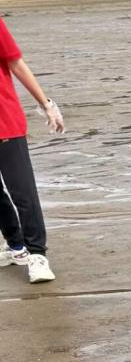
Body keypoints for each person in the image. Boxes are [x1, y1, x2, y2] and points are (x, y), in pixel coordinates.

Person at [0, 16, 64, 283]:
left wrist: (46, 104)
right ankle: (16, 246)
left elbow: (16, 63)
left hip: (5, 122)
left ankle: (37, 254)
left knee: (23, 193)